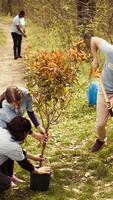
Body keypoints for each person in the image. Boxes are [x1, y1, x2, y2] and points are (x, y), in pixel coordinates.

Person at [0, 86, 48, 184]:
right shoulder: (4, 106)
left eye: (17, 103)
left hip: (17, 127)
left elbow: (30, 111)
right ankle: (6, 177)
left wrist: (38, 126)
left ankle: (10, 175)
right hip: (6, 124)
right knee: (5, 153)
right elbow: (21, 160)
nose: (16, 106)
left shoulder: (27, 95)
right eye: (13, 105)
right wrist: (36, 171)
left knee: (9, 150)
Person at [0, 116, 51, 192]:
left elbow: (17, 152)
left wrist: (34, 157)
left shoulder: (3, 131)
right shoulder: (11, 145)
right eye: (27, 133)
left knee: (8, 157)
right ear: (23, 133)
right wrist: (37, 171)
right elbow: (24, 163)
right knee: (6, 183)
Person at [90, 36, 113, 152]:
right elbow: (93, 39)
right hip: (104, 90)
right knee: (100, 124)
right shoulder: (110, 51)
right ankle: (101, 139)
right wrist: (96, 58)